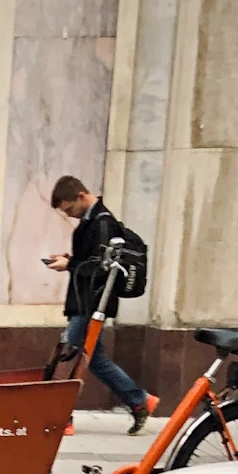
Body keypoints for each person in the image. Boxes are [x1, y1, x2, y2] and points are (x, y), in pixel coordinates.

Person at [44, 174, 158, 435]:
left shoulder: (102, 222)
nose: (70, 215)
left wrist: (70, 265)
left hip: (91, 303)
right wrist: (70, 259)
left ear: (82, 196)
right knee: (93, 359)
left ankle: (63, 416)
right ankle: (139, 401)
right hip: (88, 302)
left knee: (69, 356)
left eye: (70, 209)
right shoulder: (93, 220)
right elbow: (95, 258)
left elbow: (101, 268)